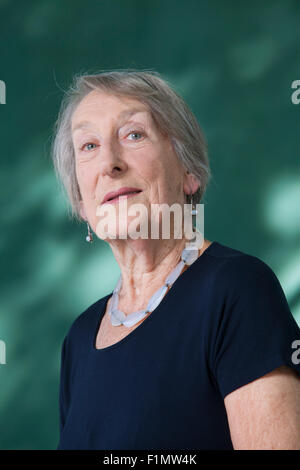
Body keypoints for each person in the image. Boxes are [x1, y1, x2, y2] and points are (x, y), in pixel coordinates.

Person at [52, 69, 300, 450]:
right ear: (82, 204)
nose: (109, 163)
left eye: (133, 134)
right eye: (89, 146)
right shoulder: (80, 338)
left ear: (188, 172)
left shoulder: (238, 291)